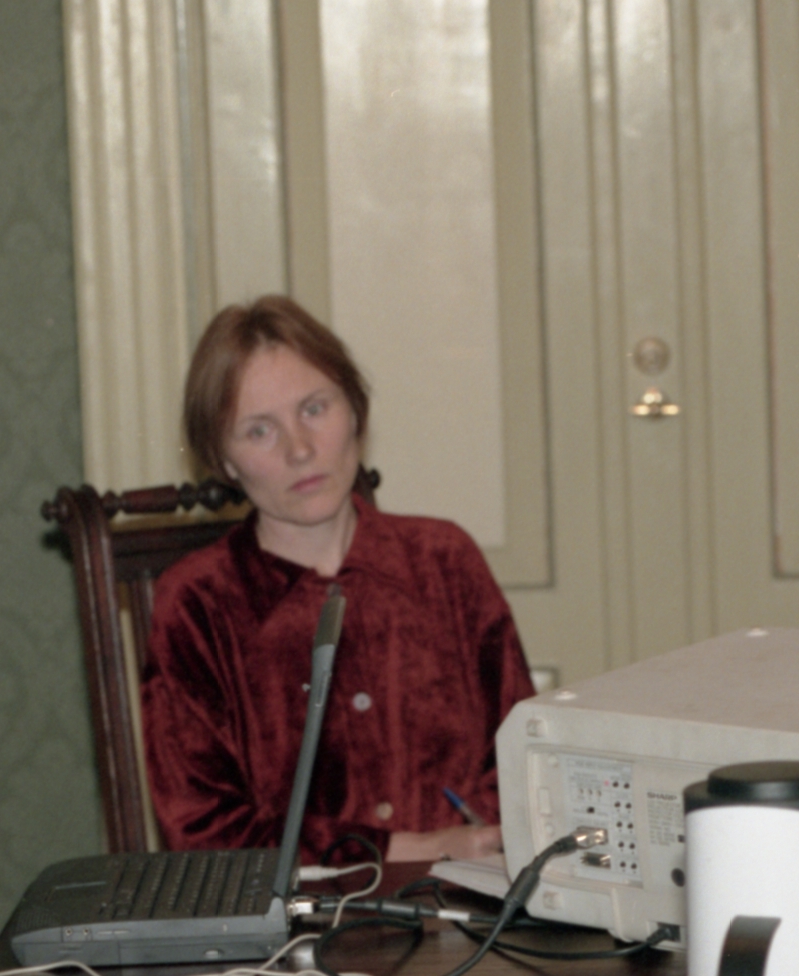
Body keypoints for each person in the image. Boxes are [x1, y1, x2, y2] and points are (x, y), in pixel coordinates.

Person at [141, 294, 535, 865]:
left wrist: (481, 840)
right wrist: (408, 851)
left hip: (470, 895)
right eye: (259, 431)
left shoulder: (444, 559)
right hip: (298, 915)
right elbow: (205, 832)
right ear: (223, 461)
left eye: (314, 409)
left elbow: (526, 754)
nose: (300, 449)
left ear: (355, 412)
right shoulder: (196, 603)